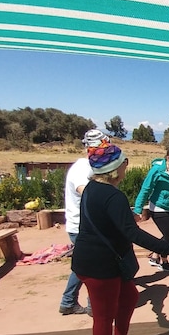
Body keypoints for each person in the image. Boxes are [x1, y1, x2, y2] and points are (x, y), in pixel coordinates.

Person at [73, 144, 169, 335]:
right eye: (124, 162)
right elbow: (135, 234)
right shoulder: (113, 196)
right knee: (103, 315)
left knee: (129, 296)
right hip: (98, 264)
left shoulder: (93, 189)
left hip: (106, 260)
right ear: (115, 168)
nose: (126, 166)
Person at [58, 128, 109, 315]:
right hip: (83, 227)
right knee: (94, 266)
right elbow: (87, 193)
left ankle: (68, 301)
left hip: (85, 225)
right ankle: (92, 305)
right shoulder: (82, 168)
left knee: (83, 266)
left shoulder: (90, 166)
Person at [134, 146, 169, 272]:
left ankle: (155, 256)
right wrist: (138, 209)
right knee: (168, 236)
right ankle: (164, 262)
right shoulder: (156, 171)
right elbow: (145, 189)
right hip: (158, 207)